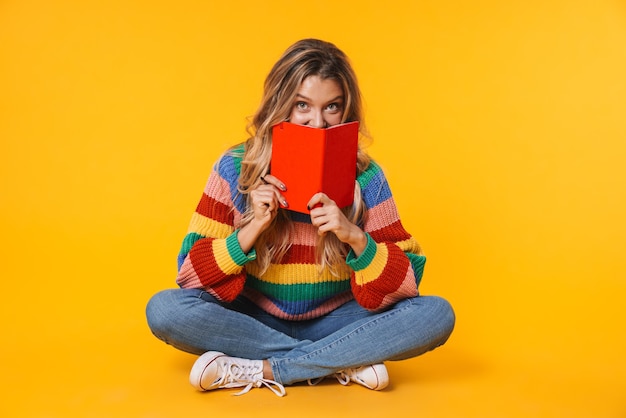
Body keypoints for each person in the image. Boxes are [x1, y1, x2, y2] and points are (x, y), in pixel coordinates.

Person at [146, 38, 455, 397]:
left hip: (339, 321)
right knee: (165, 309)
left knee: (437, 314)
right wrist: (252, 228)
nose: (317, 122)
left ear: (347, 111)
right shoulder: (235, 167)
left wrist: (354, 236)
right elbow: (190, 276)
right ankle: (341, 361)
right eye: (302, 105)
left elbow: (408, 282)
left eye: (332, 107)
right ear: (280, 105)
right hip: (255, 319)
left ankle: (266, 368)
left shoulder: (367, 175)